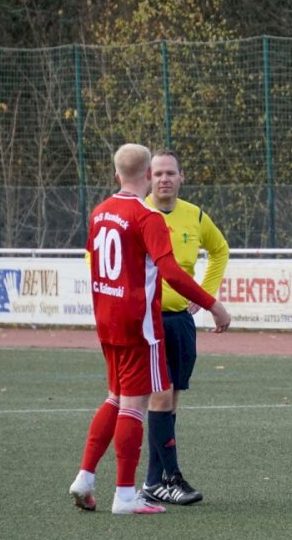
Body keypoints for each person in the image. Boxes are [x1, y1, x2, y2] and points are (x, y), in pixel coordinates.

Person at [68, 143, 231, 515]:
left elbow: (95, 264)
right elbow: (171, 271)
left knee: (115, 397)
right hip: (139, 324)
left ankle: (85, 477)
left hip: (107, 321)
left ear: (116, 175)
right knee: (136, 404)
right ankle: (127, 495)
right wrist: (214, 304)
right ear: (146, 175)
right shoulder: (147, 217)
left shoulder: (100, 212)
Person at [140, 149, 230, 506]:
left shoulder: (195, 215)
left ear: (181, 177)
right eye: (158, 173)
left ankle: (153, 482)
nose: (164, 179)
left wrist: (205, 293)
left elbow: (220, 250)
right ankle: (172, 477)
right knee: (160, 396)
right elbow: (95, 257)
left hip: (181, 321)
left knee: (171, 400)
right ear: (148, 177)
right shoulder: (137, 213)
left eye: (170, 173)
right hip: (148, 322)